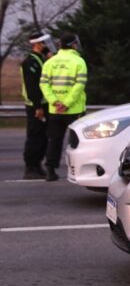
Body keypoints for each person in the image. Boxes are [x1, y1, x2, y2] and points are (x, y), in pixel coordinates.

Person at [40, 33, 88, 182]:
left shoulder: (50, 62)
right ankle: (77, 169)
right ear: (73, 44)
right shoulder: (79, 61)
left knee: (54, 140)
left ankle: (50, 170)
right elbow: (79, 85)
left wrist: (54, 101)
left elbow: (44, 84)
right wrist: (67, 103)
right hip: (74, 109)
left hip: (55, 110)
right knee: (77, 141)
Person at [20, 32, 51, 179]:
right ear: (37, 44)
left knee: (43, 137)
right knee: (34, 136)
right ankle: (30, 167)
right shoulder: (30, 62)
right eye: (43, 43)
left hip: (43, 104)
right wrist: (38, 107)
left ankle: (38, 164)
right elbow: (32, 86)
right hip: (35, 105)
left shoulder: (40, 59)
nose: (46, 46)